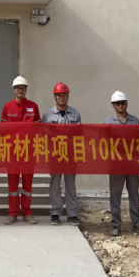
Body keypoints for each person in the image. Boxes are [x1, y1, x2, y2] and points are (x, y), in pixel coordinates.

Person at [104, 91, 139, 236]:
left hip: (133, 164)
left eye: (122, 103)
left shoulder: (135, 121)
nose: (120, 105)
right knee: (115, 194)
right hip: (116, 165)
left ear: (126, 104)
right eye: (117, 103)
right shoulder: (108, 122)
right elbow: (101, 141)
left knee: (134, 193)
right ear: (113, 105)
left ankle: (137, 223)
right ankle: (116, 225)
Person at [1, 76, 40, 226]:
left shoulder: (33, 106)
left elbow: (38, 128)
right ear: (14, 90)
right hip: (13, 151)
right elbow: (3, 131)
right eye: (18, 88)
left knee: (28, 183)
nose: (20, 90)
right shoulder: (7, 107)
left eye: (23, 88)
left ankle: (27, 213)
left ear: (26, 90)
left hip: (29, 150)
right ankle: (12, 213)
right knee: (12, 183)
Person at [42, 82, 82, 227]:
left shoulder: (75, 114)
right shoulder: (48, 115)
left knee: (70, 184)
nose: (61, 97)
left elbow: (80, 135)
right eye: (59, 95)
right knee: (55, 184)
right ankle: (55, 212)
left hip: (70, 154)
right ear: (55, 97)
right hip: (55, 154)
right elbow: (43, 135)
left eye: (64, 95)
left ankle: (72, 214)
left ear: (67, 96)